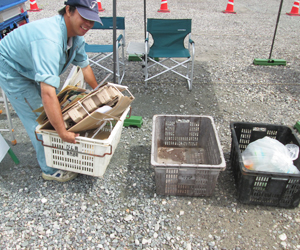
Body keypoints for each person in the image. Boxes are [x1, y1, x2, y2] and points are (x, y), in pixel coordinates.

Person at [0, 0, 102, 182]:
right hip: (11, 67)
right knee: (38, 116)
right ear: (69, 10)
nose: (88, 24)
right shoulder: (50, 40)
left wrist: (102, 93)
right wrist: (62, 132)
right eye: (85, 17)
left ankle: (54, 149)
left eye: (92, 20)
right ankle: (49, 168)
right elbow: (48, 94)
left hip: (28, 63)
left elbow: (85, 67)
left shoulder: (76, 37)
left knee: (49, 112)